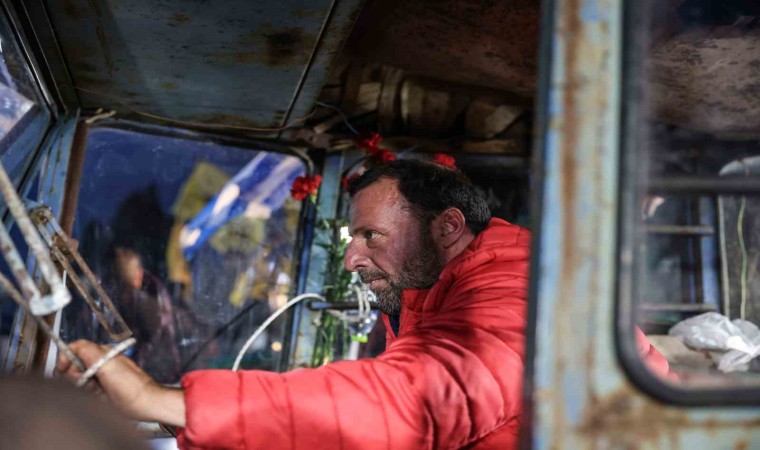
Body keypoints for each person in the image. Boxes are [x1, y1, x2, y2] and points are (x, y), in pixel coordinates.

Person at [57, 160, 673, 448]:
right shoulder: (428, 295)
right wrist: (194, 421)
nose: (352, 258)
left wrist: (163, 400)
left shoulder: (525, 294)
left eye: (369, 236)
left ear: (447, 226)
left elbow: (413, 403)